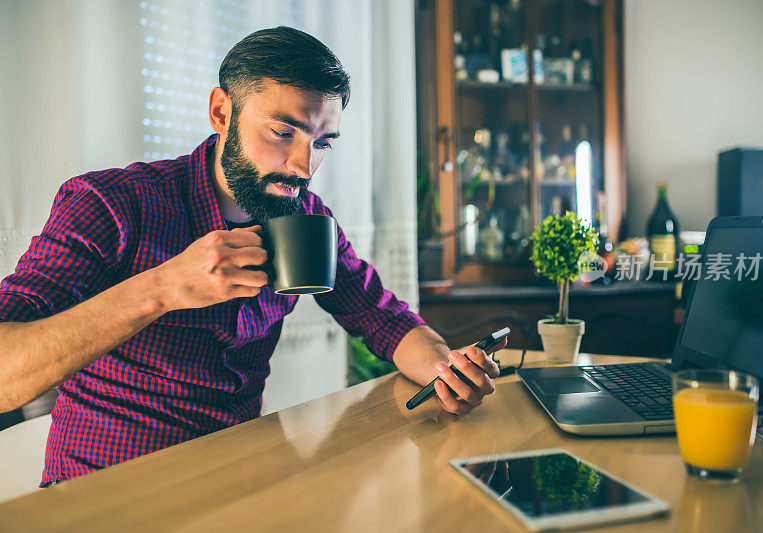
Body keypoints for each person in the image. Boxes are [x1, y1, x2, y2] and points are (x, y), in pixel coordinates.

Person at [0, 27, 505, 485]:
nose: (304, 165)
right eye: (283, 132)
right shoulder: (110, 203)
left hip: (237, 483)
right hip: (107, 491)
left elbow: (381, 316)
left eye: (322, 142)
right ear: (222, 112)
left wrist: (447, 370)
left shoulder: (304, 217)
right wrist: (162, 289)